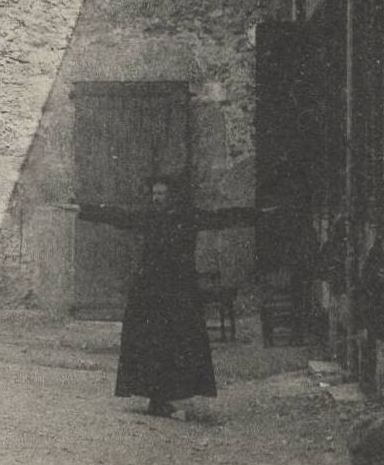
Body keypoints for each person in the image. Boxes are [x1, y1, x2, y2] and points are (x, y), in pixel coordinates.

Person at [78, 175, 262, 417]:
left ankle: (169, 395)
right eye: (154, 194)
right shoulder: (148, 217)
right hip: (150, 291)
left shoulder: (188, 217)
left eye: (162, 194)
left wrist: (258, 214)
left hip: (179, 291)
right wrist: (82, 210)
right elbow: (118, 216)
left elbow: (220, 218)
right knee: (150, 344)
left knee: (178, 343)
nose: (157, 198)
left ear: (172, 196)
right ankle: (156, 398)